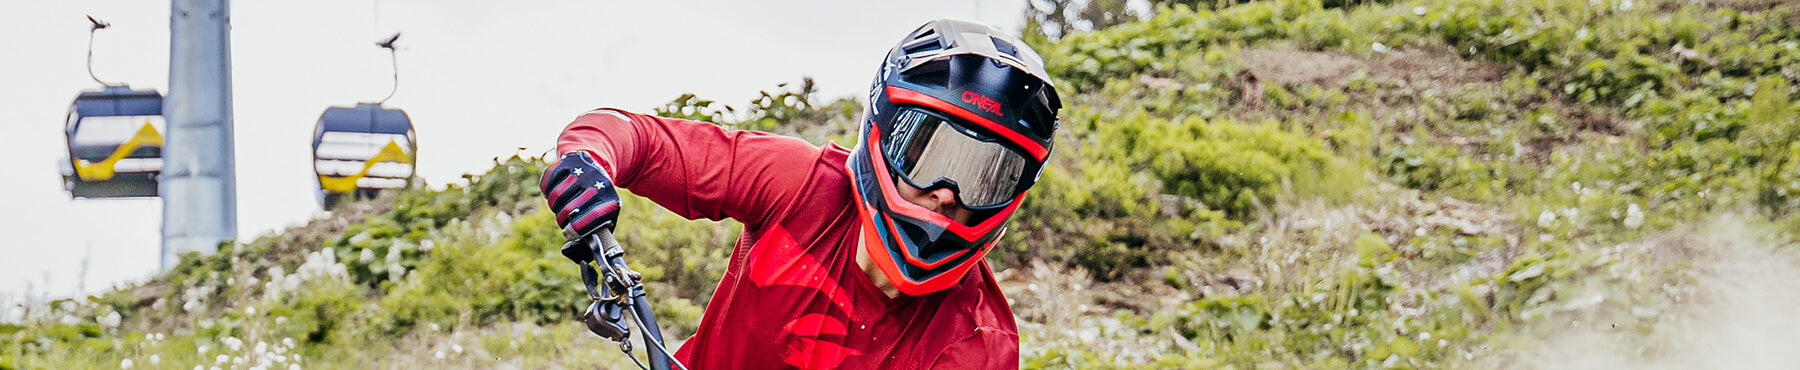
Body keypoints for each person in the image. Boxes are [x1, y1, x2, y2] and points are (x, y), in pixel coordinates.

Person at [541, 18, 1062, 369]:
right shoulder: (799, 183)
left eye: (987, 176)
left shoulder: (978, 343)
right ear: (884, 131)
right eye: (932, 155)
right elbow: (632, 137)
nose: (948, 194)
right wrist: (588, 161)